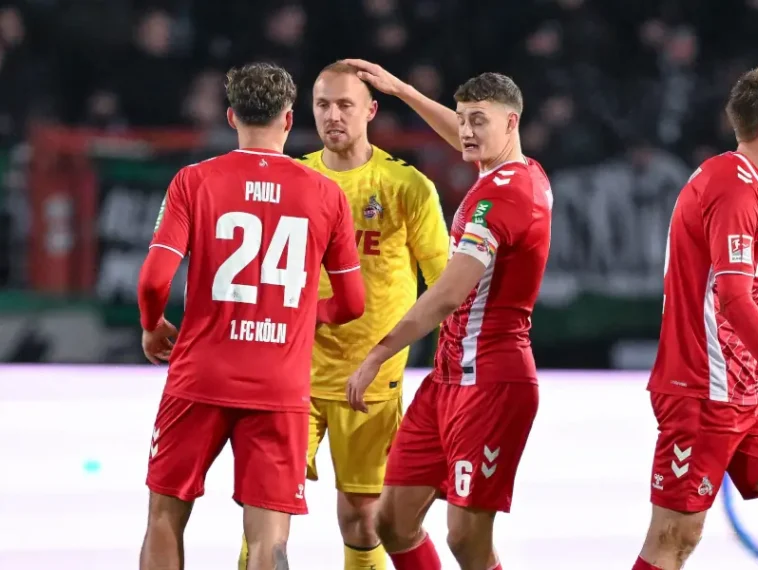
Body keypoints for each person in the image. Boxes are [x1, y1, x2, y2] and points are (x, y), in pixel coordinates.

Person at [136, 62, 365, 570]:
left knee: (164, 518)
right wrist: (304, 315)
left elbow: (154, 280)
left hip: (200, 375)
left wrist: (153, 325)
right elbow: (353, 303)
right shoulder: (326, 194)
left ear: (231, 116)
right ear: (289, 120)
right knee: (269, 540)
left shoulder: (193, 181)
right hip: (279, 385)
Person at [238, 62, 449, 570]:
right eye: (323, 105)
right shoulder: (293, 180)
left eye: (346, 105)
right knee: (263, 511)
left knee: (362, 519)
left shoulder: (406, 186)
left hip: (370, 379)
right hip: (293, 375)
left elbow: (446, 284)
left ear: (371, 111)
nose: (333, 115)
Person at [343, 59, 553, 570]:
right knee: (391, 520)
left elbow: (448, 294)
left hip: (492, 383)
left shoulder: (504, 197)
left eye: (478, 120)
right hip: (445, 381)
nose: (465, 130)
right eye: (462, 118)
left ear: (511, 123)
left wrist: (378, 353)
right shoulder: (515, 170)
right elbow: (461, 132)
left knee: (466, 538)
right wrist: (404, 91)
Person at [634, 68, 758, 570]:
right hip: (702, 386)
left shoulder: (747, 184)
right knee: (674, 538)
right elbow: (734, 299)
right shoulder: (734, 188)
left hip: (740, 387)